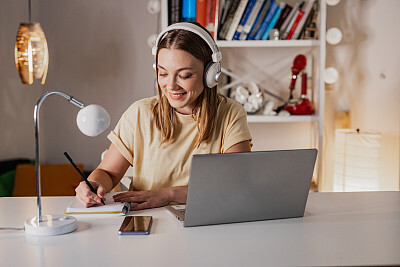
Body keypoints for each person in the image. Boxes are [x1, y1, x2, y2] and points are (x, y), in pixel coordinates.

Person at [75, 22, 252, 210]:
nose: (171, 85)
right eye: (163, 73)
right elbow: (107, 173)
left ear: (210, 74)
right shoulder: (140, 113)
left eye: (184, 75)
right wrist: (93, 184)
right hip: (146, 221)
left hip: (206, 219)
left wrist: (168, 195)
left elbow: (236, 182)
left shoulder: (230, 113)